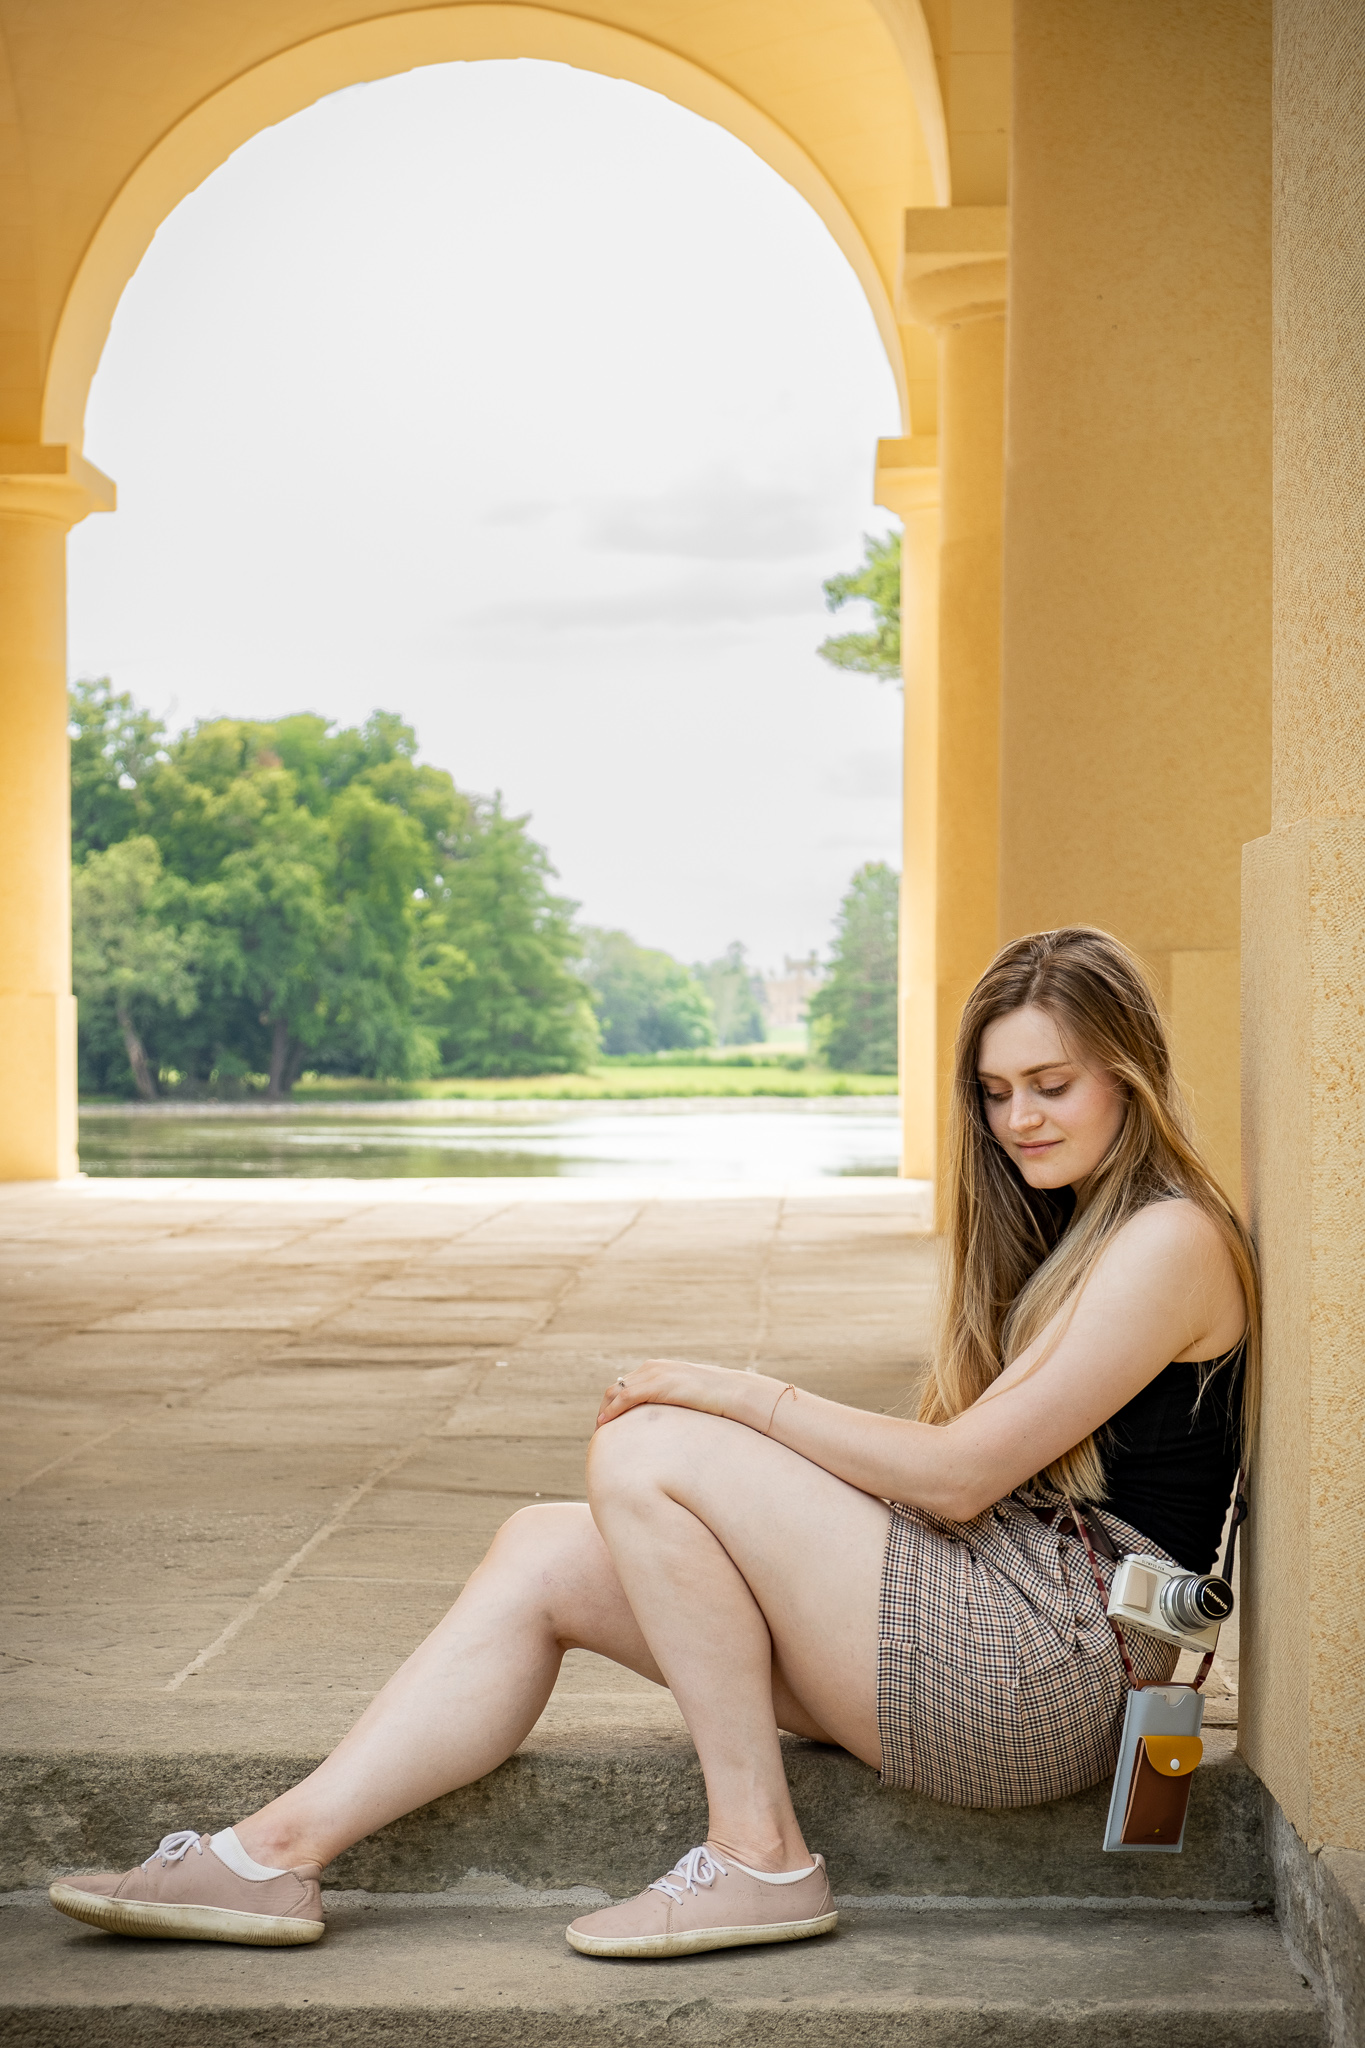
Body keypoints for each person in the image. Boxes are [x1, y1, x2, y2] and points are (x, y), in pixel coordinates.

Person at [49, 926, 1256, 1959]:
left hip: (1059, 1655)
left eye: (1051, 1083)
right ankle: (271, 1854)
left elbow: (957, 1476)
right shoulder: (1083, 1233)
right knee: (543, 1551)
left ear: (1129, 1075)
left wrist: (741, 1393)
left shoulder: (1170, 1238)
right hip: (1016, 1621)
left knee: (654, 1445)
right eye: (996, 1093)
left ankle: (760, 1854)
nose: (1018, 1118)